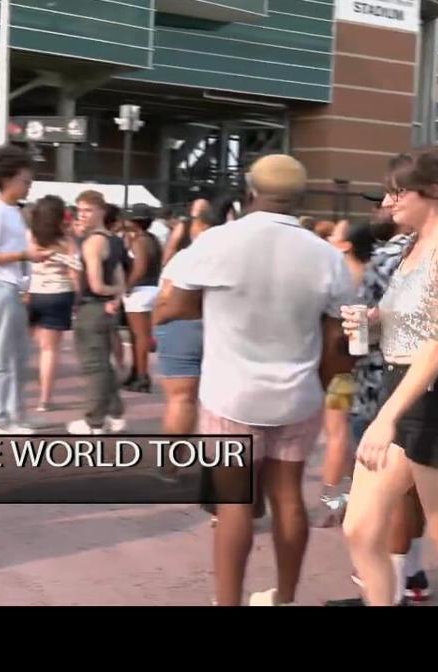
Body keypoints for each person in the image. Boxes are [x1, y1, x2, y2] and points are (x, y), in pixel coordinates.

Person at [156, 154, 355, 606]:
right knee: (288, 497)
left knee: (234, 506)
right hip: (298, 394)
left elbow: (176, 302)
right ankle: (283, 597)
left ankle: (227, 601)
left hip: (230, 394)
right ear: (300, 198)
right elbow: (337, 337)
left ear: (250, 189)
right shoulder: (326, 255)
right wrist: (331, 386)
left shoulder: (219, 241)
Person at [342, 147, 438, 606]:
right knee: (360, 528)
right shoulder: (413, 245)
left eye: (396, 192)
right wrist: (371, 321)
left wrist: (386, 418)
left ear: (434, 192)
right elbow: (411, 322)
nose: (388, 203)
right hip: (404, 390)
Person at [339, 183, 430, 605]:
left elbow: (367, 329)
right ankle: (411, 574)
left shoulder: (394, 255)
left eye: (391, 199)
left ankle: (387, 589)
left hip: (383, 385)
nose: (381, 208)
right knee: (411, 488)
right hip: (418, 385)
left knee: (383, 495)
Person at [0, 146, 49, 434]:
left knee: (17, 356)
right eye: (25, 180)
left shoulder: (12, 212)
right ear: (8, 178)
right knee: (0, 356)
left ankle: (15, 414)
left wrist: (28, 257)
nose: (28, 186)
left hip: (11, 288)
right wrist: (24, 256)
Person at [152, 198, 222, 476]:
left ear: (198, 225)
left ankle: (170, 466)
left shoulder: (188, 255)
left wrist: (158, 318)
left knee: (181, 399)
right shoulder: (232, 254)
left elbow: (168, 296)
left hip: (182, 326)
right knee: (219, 405)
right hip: (220, 327)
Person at [316, 218, 373, 526]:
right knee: (347, 437)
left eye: (334, 235)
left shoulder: (349, 279)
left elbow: (357, 337)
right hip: (351, 369)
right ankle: (354, 497)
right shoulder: (365, 274)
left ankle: (332, 502)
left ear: (347, 244)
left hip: (343, 371)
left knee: (337, 435)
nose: (328, 239)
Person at [68, 190, 129, 435]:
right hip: (105, 307)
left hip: (92, 306)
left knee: (94, 366)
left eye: (88, 210)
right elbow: (120, 279)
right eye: (79, 210)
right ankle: (114, 413)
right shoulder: (114, 240)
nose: (82, 215)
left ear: (101, 211)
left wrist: (109, 293)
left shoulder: (94, 242)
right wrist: (116, 296)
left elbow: (95, 284)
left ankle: (94, 421)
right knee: (104, 363)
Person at [27, 195, 80, 412]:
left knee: (37, 347)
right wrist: (78, 297)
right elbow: (75, 272)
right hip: (59, 294)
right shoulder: (67, 242)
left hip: (34, 293)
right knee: (50, 350)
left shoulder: (31, 237)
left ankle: (30, 389)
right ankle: (45, 399)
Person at [122, 203, 163, 393]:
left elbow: (140, 267)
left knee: (139, 336)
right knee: (140, 335)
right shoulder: (153, 239)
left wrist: (127, 286)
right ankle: (137, 372)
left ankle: (141, 376)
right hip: (153, 287)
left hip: (140, 290)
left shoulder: (139, 241)